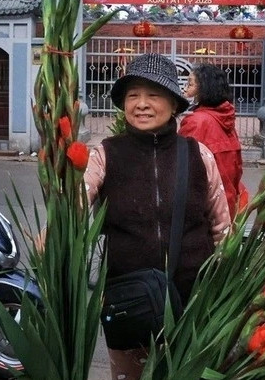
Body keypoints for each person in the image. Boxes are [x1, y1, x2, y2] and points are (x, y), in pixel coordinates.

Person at [84, 53, 230, 380]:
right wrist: (54, 229)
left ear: (174, 105)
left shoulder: (197, 155)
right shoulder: (106, 154)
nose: (142, 104)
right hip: (129, 300)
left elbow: (222, 227)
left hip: (191, 299)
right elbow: (79, 203)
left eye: (154, 95)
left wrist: (223, 286)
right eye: (133, 95)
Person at [180, 63, 248, 219]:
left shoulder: (196, 122)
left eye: (190, 83)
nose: (185, 88)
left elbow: (182, 167)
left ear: (204, 88)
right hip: (228, 199)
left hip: (205, 206)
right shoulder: (226, 119)